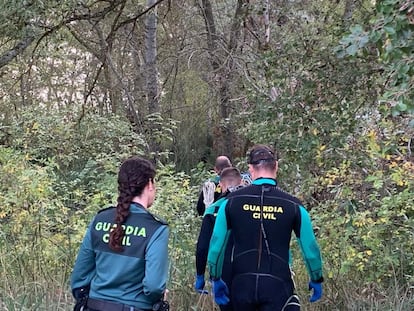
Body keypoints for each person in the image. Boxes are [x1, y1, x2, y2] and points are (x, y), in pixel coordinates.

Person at [207, 144, 324, 311]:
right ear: (276, 166)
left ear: (250, 169)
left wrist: (216, 278)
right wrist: (316, 278)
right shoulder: (294, 205)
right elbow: (310, 248)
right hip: (278, 288)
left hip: (241, 286)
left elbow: (216, 246)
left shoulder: (230, 202)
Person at [71, 156, 169, 311]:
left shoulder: (99, 220)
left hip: (94, 306)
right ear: (150, 184)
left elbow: (79, 278)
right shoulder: (156, 229)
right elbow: (154, 286)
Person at [195, 167, 244, 311]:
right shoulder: (252, 204)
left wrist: (200, 275)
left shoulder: (213, 210)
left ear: (221, 185)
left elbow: (203, 247)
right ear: (241, 181)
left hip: (224, 273)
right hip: (251, 271)